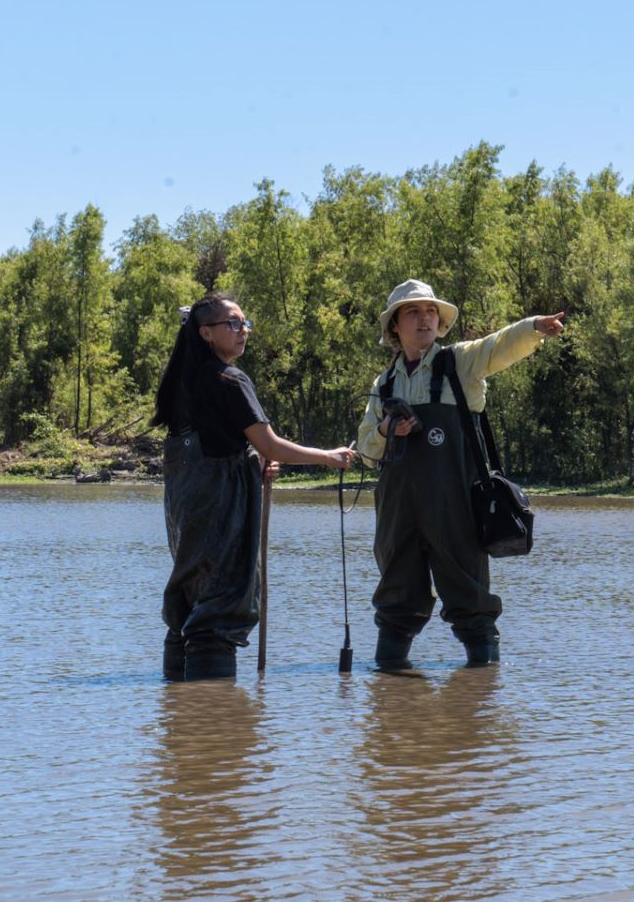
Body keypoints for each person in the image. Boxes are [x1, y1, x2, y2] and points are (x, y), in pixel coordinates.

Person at [354, 279, 566, 668]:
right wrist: (387, 429)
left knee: (470, 596)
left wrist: (534, 326)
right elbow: (366, 450)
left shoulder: (460, 363)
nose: (424, 319)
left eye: (430, 311)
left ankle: (484, 671)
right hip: (397, 512)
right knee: (396, 599)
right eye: (413, 312)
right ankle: (390, 685)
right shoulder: (383, 384)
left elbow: (497, 347)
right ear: (395, 328)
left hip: (455, 507)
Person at [152, 291, 354, 682]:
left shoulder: (184, 380)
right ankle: (215, 721)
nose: (243, 330)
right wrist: (328, 456)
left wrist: (249, 464)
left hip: (187, 508)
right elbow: (270, 444)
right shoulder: (229, 379)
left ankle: (178, 709)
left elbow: (225, 444)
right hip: (218, 509)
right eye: (233, 323)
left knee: (190, 599)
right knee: (220, 605)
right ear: (206, 333)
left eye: (245, 323)